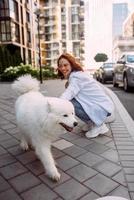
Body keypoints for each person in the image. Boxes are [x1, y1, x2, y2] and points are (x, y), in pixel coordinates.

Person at [57, 53, 115, 138]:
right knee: (71, 101)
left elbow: (68, 94)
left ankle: (99, 125)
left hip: (102, 107)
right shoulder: (76, 75)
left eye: (65, 65)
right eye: (60, 66)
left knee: (69, 103)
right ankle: (91, 123)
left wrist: (54, 104)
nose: (62, 68)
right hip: (100, 105)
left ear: (72, 65)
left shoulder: (76, 78)